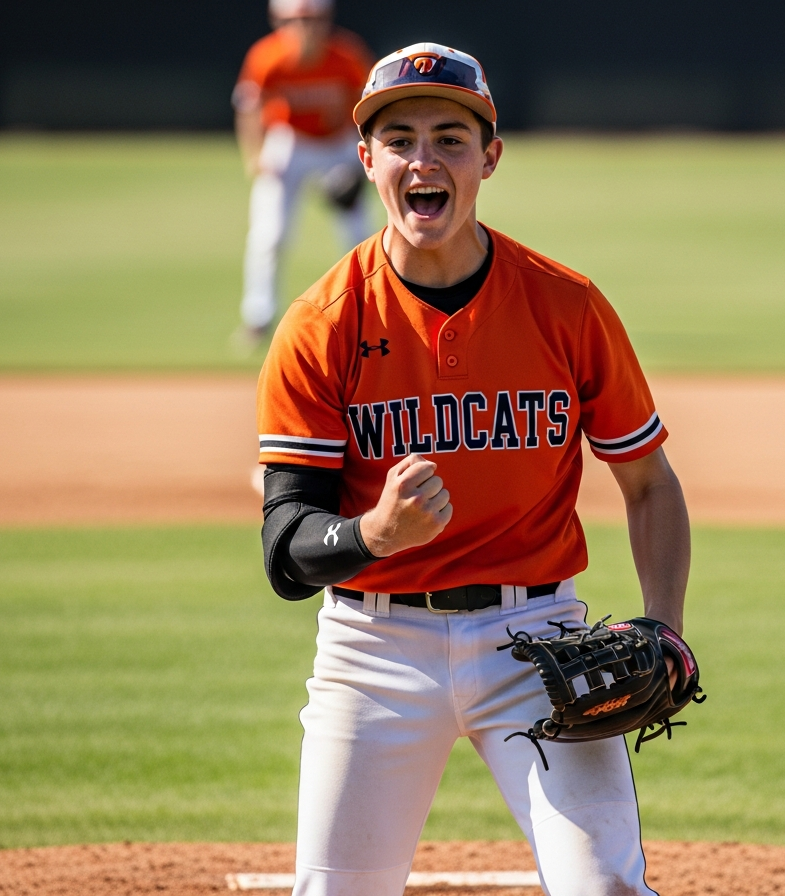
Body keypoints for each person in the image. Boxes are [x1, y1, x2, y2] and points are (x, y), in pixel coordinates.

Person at [255, 43, 691, 896]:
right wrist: (376, 532)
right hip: (372, 649)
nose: (426, 159)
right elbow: (284, 548)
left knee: (604, 888)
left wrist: (664, 626)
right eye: (402, 138)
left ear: (489, 158)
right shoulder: (321, 326)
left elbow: (649, 481)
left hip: (538, 643)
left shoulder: (566, 306)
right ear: (368, 160)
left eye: (451, 138)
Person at [231, 0, 374, 350]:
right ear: (278, 21)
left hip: (338, 144)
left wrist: (365, 155)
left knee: (358, 234)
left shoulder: (346, 55)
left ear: (327, 21)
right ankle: (258, 318)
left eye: (312, 19)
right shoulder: (267, 56)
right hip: (289, 142)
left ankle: (370, 311)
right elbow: (248, 108)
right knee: (270, 235)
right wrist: (255, 156)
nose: (304, 26)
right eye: (294, 19)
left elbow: (371, 105)